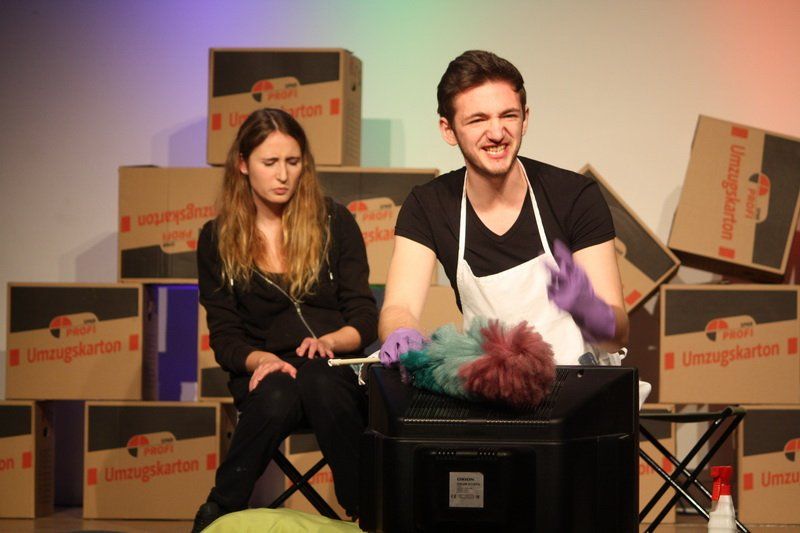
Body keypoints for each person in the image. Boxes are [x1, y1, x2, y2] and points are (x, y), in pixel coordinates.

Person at [379, 50, 629, 370]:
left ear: (525, 119)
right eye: (478, 119)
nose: (497, 133)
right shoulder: (428, 206)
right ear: (448, 129)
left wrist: (593, 312)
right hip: (492, 385)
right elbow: (399, 306)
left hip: (578, 383)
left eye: (508, 116)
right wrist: (401, 332)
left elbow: (617, 337)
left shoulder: (574, 196)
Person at [192, 108, 377, 531]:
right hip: (265, 374)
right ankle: (220, 508)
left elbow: (364, 316)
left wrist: (332, 341)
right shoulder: (217, 238)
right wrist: (262, 360)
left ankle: (370, 511)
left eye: (293, 162)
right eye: (270, 162)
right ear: (243, 164)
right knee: (278, 391)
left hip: (334, 370)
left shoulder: (334, 222)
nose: (283, 175)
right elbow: (225, 336)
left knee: (319, 378)